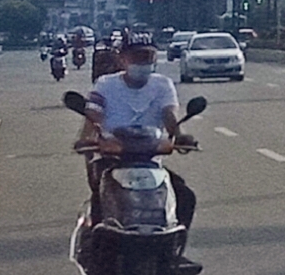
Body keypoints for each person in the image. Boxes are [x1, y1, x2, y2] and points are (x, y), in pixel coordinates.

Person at [80, 35, 200, 275]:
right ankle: (93, 251)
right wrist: (88, 139)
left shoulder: (162, 85)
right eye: (138, 56)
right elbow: (93, 116)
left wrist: (180, 136)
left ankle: (173, 251)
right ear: (122, 59)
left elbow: (169, 115)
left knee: (184, 195)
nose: (143, 62)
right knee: (101, 199)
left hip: (149, 161)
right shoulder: (106, 84)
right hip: (111, 159)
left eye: (149, 57)